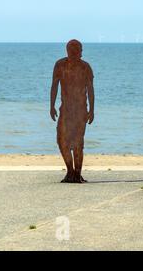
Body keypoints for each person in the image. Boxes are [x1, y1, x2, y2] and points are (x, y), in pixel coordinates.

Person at [50, 40, 95, 183]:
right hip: (66, 110)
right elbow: (54, 86)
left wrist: (92, 110)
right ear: (67, 51)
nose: (75, 53)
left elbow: (91, 90)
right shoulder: (60, 65)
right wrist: (51, 106)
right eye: (72, 50)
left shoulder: (85, 67)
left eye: (77, 51)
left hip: (81, 110)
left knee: (78, 143)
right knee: (62, 141)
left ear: (81, 52)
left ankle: (77, 173)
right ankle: (70, 170)